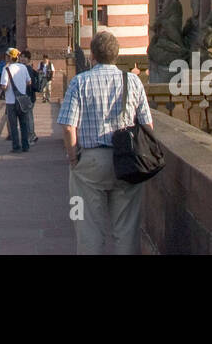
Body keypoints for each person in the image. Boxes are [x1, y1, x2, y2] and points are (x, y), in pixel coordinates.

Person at [57, 31, 154, 254]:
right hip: (127, 161)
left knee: (85, 225)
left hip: (90, 162)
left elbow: (68, 127)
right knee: (127, 229)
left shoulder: (79, 82)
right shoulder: (133, 81)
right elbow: (148, 127)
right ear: (117, 55)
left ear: (93, 55)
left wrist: (74, 159)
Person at [0, 48, 32, 152]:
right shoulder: (23, 67)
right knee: (24, 124)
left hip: (11, 101)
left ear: (9, 57)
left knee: (13, 125)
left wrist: (2, 89)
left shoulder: (7, 69)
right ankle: (25, 145)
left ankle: (16, 146)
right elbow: (29, 82)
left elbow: (4, 86)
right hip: (22, 100)